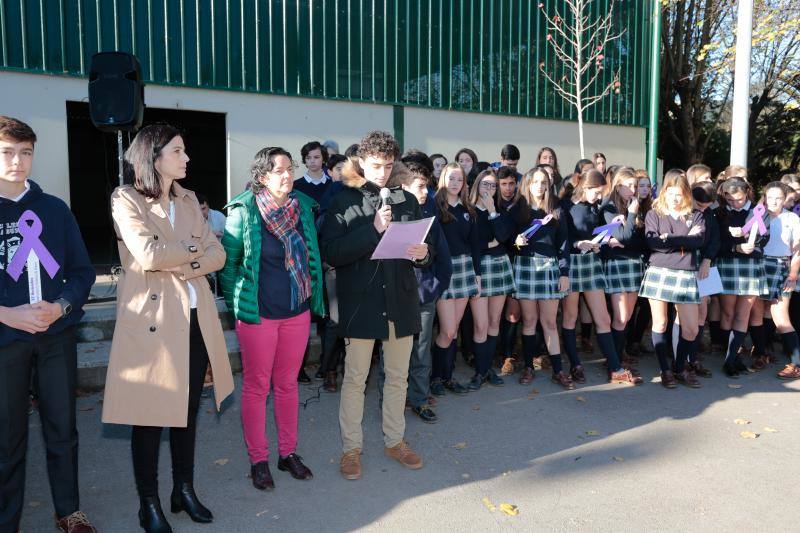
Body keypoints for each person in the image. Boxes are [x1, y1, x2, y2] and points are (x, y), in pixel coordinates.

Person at [103, 124, 234, 533]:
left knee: (187, 411)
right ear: (154, 156)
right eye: (178, 151)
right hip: (153, 322)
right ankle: (149, 503)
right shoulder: (126, 199)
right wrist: (195, 251)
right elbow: (146, 253)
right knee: (150, 416)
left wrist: (183, 258)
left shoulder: (190, 198)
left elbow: (220, 254)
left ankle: (184, 489)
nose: (187, 158)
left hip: (195, 317)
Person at [0, 116, 97, 533]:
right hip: (6, 340)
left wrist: (60, 307)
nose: (17, 161)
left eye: (25, 152)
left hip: (56, 338)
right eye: (6, 152)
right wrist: (8, 314)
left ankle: (69, 511)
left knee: (63, 428)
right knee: (7, 438)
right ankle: (7, 520)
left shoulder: (54, 209)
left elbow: (82, 272)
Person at [320, 131, 430, 480]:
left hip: (400, 300)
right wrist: (374, 228)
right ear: (361, 162)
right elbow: (332, 253)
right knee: (355, 380)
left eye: (387, 165)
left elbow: (425, 248)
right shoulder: (342, 200)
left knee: (397, 377)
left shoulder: (408, 201)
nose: (382, 172)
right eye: (375, 165)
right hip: (360, 304)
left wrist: (424, 254)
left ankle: (395, 441)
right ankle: (351, 449)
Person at [220, 146, 323, 491]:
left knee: (288, 384)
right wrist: (242, 306)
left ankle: (287, 453)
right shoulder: (243, 211)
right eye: (279, 170)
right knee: (256, 386)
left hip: (297, 311)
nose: (287, 175)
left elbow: (312, 258)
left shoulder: (303, 208)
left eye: (289, 169)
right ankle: (259, 459)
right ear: (263, 176)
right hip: (259, 315)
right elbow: (230, 267)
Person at [377, 160, 452, 423]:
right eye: (420, 187)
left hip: (422, 296)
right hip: (394, 295)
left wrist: (435, 285)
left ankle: (419, 399)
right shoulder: (385, 212)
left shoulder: (428, 216)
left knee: (421, 351)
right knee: (391, 353)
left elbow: (439, 253)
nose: (426, 193)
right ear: (402, 187)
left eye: (428, 188)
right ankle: (389, 401)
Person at [562, 169, 641, 385]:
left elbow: (596, 231)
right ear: (585, 188)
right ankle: (575, 365)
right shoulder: (566, 206)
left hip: (592, 263)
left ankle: (615, 368)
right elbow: (564, 238)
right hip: (572, 263)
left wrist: (610, 226)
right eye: (596, 192)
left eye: (601, 193)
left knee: (603, 318)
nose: (599, 197)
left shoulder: (595, 206)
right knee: (570, 316)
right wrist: (579, 244)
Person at [639, 170, 705, 388]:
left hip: (686, 273)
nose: (675, 199)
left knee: (691, 328)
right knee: (660, 322)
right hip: (659, 272)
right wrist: (684, 240)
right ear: (664, 192)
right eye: (671, 193)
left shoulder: (695, 215)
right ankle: (665, 370)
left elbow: (698, 242)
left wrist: (671, 239)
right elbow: (654, 244)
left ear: (686, 194)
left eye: (679, 194)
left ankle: (678, 367)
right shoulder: (653, 214)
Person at [512, 167, 573, 388]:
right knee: (528, 321)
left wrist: (564, 273)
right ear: (528, 184)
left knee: (549, 322)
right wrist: (515, 242)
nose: (539, 186)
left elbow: (564, 244)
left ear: (548, 185)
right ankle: (528, 367)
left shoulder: (556, 209)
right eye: (535, 182)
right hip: (526, 267)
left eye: (543, 182)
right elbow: (508, 238)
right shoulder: (518, 208)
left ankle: (558, 370)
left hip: (550, 267)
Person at [431, 162, 482, 396]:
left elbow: (475, 245)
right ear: (443, 180)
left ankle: (447, 377)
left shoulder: (468, 210)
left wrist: (477, 274)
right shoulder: (434, 206)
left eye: (459, 180)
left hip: (465, 270)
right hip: (443, 269)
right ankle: (435, 378)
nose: (455, 183)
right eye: (451, 178)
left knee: (453, 331)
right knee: (447, 330)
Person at [466, 169, 515, 389]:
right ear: (477, 185)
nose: (490, 189)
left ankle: (487, 370)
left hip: (500, 267)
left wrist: (493, 211)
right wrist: (489, 244)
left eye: (493, 186)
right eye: (485, 184)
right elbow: (472, 243)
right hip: (479, 269)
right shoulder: (470, 211)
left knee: (495, 322)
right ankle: (479, 372)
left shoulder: (500, 210)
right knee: (481, 324)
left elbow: (505, 237)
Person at [715, 177, 769, 377]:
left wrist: (748, 242)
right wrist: (735, 246)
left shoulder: (758, 211)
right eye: (730, 200)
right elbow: (716, 244)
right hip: (727, 265)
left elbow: (763, 239)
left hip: (750, 266)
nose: (735, 203)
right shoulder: (719, 213)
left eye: (739, 199)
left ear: (747, 192)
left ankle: (730, 360)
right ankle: (732, 357)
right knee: (728, 314)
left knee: (743, 315)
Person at [747, 182, 800, 379]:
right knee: (756, 314)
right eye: (770, 197)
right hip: (759, 265)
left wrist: (793, 274)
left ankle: (796, 363)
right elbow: (747, 236)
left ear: (785, 198)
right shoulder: (759, 215)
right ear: (765, 197)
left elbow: (798, 250)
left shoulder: (792, 218)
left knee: (780, 318)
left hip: (781, 267)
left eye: (778, 198)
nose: (774, 202)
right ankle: (761, 354)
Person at [601, 168, 645, 369]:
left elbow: (640, 241)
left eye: (635, 186)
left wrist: (625, 239)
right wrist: (632, 217)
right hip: (617, 264)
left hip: (634, 263)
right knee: (619, 316)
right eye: (628, 185)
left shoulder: (637, 206)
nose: (633, 189)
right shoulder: (609, 207)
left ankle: (618, 356)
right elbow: (625, 236)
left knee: (627, 317)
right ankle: (613, 362)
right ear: (618, 186)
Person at [292, 141, 331, 206]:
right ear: (305, 161)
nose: (312, 161)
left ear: (323, 159)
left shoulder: (332, 185)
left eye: (316, 157)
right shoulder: (295, 186)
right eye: (308, 158)